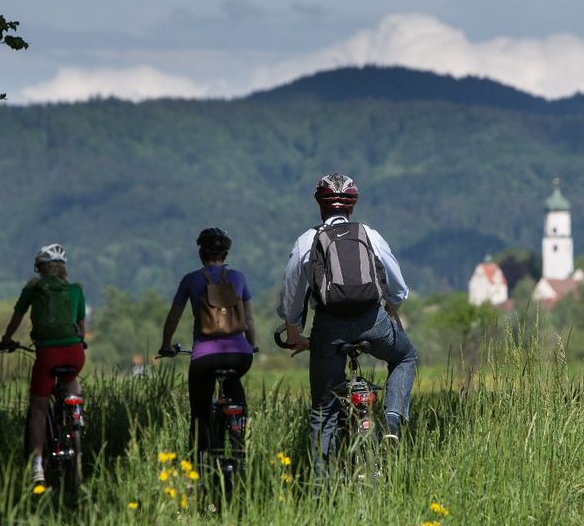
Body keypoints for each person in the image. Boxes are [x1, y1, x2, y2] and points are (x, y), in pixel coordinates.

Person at [279, 173, 417, 479]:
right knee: (405, 357)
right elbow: (397, 288)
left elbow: (291, 298)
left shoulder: (306, 241)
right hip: (373, 322)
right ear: (352, 206)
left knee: (324, 410)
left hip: (329, 329)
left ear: (320, 205)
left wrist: (294, 334)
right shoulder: (370, 235)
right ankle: (392, 421)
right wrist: (389, 312)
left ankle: (322, 490)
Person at [159, 227, 257, 463]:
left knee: (200, 414)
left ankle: (199, 464)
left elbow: (173, 317)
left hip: (205, 356)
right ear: (225, 254)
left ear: (201, 254)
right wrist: (251, 346)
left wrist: (166, 345)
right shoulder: (238, 278)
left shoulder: (191, 280)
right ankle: (239, 434)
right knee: (235, 390)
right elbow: (249, 320)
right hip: (240, 356)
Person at [0, 243, 87, 484]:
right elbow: (81, 330)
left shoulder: (32, 290)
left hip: (47, 354)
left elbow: (16, 318)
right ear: (63, 269)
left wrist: (6, 339)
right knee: (71, 380)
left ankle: (37, 467)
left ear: (39, 269)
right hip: (75, 353)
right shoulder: (76, 291)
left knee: (39, 409)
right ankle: (76, 413)